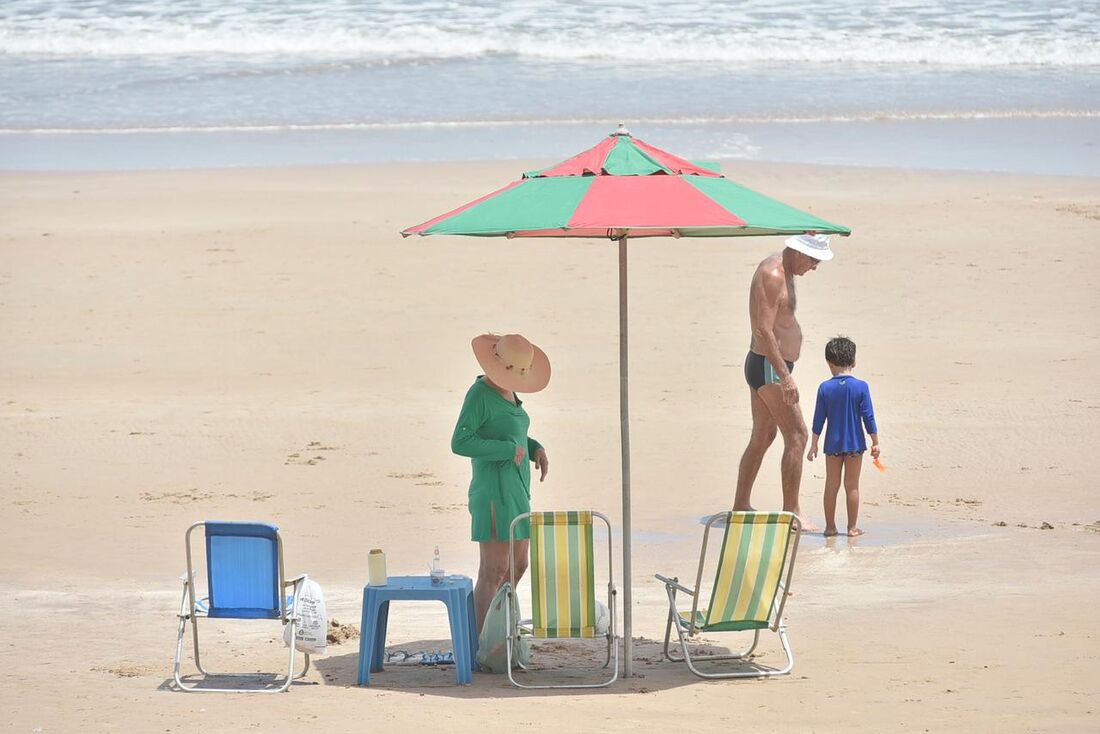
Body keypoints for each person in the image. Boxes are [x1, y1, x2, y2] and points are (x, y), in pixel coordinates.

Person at [733, 234, 834, 529]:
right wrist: (786, 377)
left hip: (771, 365)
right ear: (798, 252)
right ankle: (792, 512)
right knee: (798, 435)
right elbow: (763, 331)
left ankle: (740, 504)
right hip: (768, 366)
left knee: (763, 436)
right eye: (813, 260)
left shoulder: (787, 272)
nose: (814, 267)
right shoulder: (772, 274)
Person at [451, 333, 551, 632]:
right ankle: (481, 641)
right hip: (493, 492)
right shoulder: (480, 394)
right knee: (494, 570)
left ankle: (501, 631)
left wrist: (535, 448)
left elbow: (512, 430)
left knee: (518, 567)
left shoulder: (509, 392)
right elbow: (461, 441)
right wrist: (507, 451)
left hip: (518, 491)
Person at [806, 336, 880, 537]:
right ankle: (852, 528)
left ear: (829, 363)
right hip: (855, 443)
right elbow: (868, 416)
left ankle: (830, 528)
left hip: (833, 443)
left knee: (831, 484)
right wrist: (875, 441)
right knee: (852, 485)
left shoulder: (825, 388)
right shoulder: (861, 387)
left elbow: (818, 419)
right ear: (854, 362)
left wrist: (813, 444)